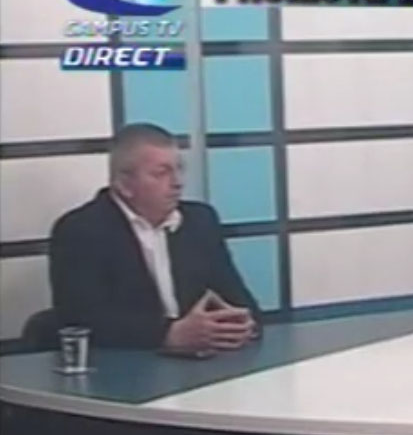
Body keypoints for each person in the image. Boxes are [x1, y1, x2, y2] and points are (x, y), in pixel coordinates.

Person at [49, 123, 260, 352]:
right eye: (161, 173)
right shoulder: (81, 231)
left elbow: (237, 299)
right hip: (125, 365)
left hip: (204, 362)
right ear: (124, 184)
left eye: (179, 169)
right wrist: (167, 335)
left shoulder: (200, 221)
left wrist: (242, 323)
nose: (178, 182)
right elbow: (81, 319)